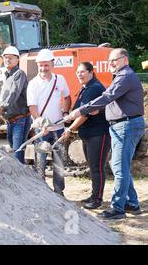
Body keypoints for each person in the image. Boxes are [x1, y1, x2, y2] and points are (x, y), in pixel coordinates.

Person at [68, 48, 145, 219]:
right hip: (123, 125)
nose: (110, 64)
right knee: (120, 166)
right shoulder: (122, 76)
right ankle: (132, 203)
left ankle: (117, 208)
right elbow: (112, 99)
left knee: (119, 167)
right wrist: (100, 108)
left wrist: (82, 109)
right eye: (109, 61)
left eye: (114, 60)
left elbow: (108, 96)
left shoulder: (124, 76)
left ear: (124, 60)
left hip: (126, 125)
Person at [61, 62, 111, 209]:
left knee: (97, 167)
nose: (79, 75)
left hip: (98, 134)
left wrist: (70, 129)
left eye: (82, 72)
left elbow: (84, 114)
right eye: (77, 72)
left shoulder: (94, 88)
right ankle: (94, 195)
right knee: (92, 166)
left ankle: (97, 199)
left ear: (91, 72)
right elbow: (77, 110)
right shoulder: (86, 88)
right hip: (88, 134)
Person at [27, 49, 71, 195]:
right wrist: (41, 122)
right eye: (41, 65)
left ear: (52, 64)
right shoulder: (33, 84)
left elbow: (67, 97)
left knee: (59, 162)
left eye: (46, 65)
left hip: (58, 128)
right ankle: (42, 193)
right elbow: (32, 107)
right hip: (42, 131)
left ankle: (59, 192)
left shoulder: (60, 79)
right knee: (41, 161)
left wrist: (65, 112)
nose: (44, 68)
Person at [0, 46, 30, 164]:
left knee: (17, 151)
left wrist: (1, 109)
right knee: (14, 149)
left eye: (10, 58)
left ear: (17, 59)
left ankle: (21, 179)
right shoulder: (7, 76)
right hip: (10, 120)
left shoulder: (19, 74)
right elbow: (5, 97)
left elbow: (13, 94)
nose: (7, 60)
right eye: (5, 58)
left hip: (20, 119)